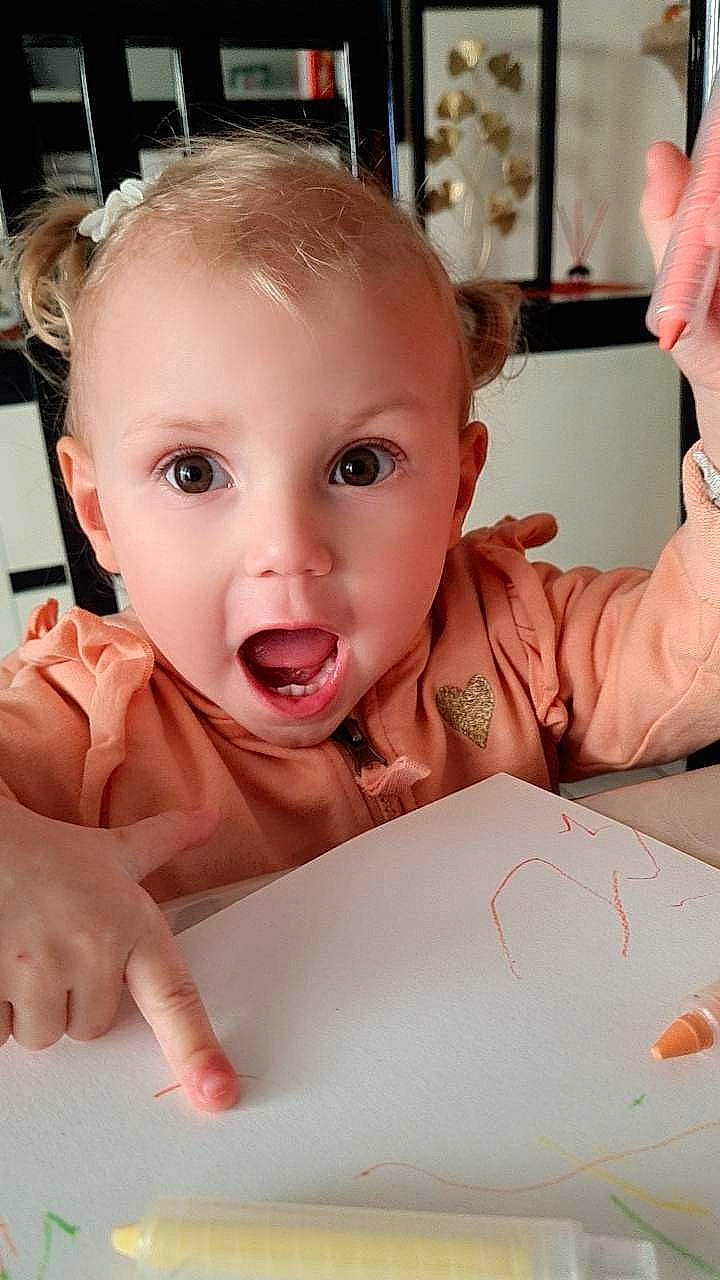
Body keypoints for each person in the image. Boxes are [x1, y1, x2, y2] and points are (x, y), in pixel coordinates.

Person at [2, 131, 720, 1114]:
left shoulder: (510, 633)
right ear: (97, 514)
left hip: (521, 1098)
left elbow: (692, 654)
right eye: (194, 472)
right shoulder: (84, 726)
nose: (287, 547)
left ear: (458, 483)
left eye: (358, 464)